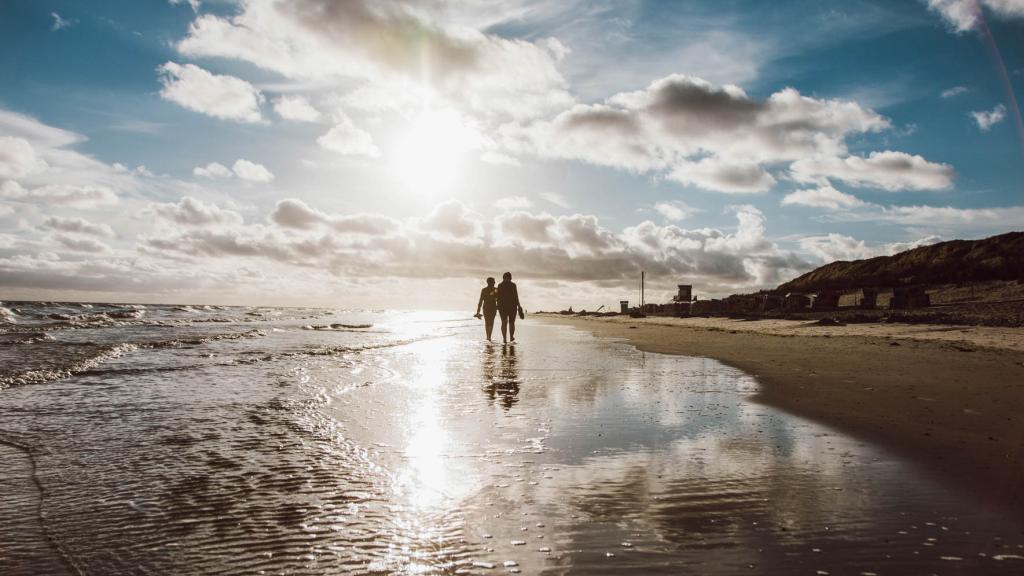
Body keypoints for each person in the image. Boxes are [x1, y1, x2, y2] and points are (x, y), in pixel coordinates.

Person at [496, 271, 524, 344]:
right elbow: (516, 296)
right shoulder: (513, 285)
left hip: (503, 307)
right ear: (510, 278)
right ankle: (510, 337)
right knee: (511, 322)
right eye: (509, 278)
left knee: (504, 322)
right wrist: (518, 305)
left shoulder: (500, 285)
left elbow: (497, 297)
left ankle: (505, 338)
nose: (508, 280)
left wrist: (497, 305)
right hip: (512, 306)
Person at [474, 277, 499, 341]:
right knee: (491, 322)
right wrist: (498, 306)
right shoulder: (496, 289)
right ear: (490, 282)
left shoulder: (484, 290)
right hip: (493, 307)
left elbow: (481, 300)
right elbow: (498, 299)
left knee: (487, 322)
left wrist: (478, 310)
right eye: (493, 282)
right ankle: (489, 336)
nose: (494, 283)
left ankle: (488, 336)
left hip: (486, 307)